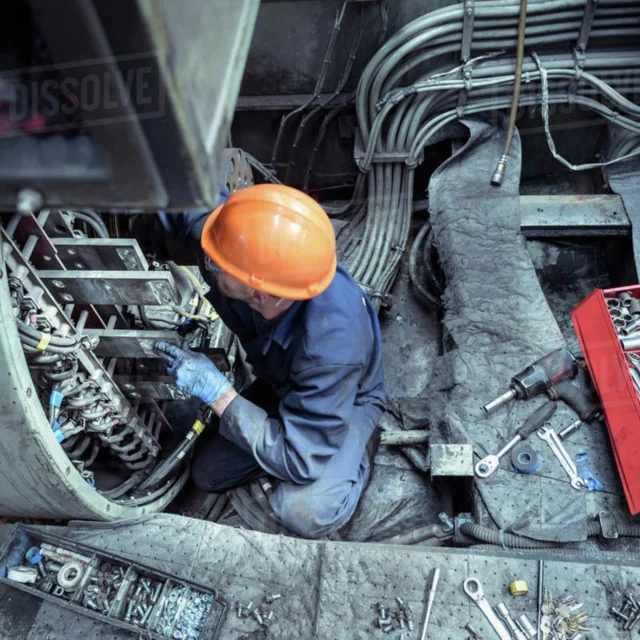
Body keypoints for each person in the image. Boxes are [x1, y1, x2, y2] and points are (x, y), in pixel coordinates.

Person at [153, 184, 386, 538]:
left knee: (303, 511)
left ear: (259, 294)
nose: (208, 262)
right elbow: (195, 193)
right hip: (281, 382)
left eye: (216, 265)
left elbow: (298, 458)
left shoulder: (331, 347)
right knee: (210, 473)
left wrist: (219, 394)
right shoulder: (238, 250)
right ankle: (282, 435)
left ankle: (352, 447)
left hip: (345, 399)